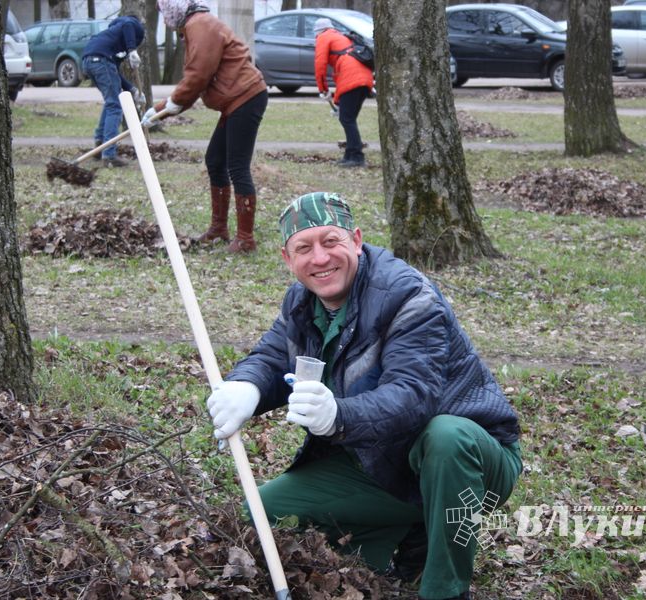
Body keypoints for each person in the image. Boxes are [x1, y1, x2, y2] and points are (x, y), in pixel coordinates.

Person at [206, 192, 522, 600]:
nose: (320, 258)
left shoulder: (407, 295)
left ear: (356, 240)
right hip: (382, 464)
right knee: (263, 512)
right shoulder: (301, 301)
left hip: (473, 464)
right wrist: (245, 386)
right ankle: (411, 529)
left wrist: (339, 416)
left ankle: (445, 589)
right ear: (287, 259)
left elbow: (413, 395)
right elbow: (271, 358)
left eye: (330, 241)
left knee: (446, 436)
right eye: (304, 248)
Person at [151, 0, 268, 253]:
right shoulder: (196, 24)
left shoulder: (200, 25)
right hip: (235, 100)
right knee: (215, 160)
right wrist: (162, 110)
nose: (165, 22)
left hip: (245, 97)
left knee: (237, 167)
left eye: (165, 14)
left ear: (174, 9)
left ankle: (245, 239)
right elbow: (197, 80)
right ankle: (218, 229)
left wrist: (167, 106)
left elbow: (198, 76)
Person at [81, 14, 145, 168]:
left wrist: (133, 90)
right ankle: (109, 155)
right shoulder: (131, 24)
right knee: (115, 106)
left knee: (111, 102)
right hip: (100, 61)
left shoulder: (111, 38)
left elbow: (114, 71)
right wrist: (132, 50)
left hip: (88, 61)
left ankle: (100, 144)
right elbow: (129, 24)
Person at [313, 18, 374, 168]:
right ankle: (349, 155)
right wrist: (336, 100)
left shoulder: (323, 37)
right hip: (365, 79)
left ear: (318, 32)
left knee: (347, 119)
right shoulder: (341, 36)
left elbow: (320, 65)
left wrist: (323, 89)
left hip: (353, 78)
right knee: (348, 118)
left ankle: (357, 157)